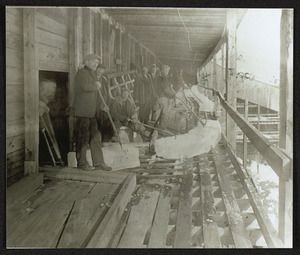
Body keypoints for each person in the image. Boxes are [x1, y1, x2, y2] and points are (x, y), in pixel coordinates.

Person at [73, 53, 112, 171]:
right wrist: (96, 86)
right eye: (94, 61)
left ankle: (99, 163)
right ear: (87, 62)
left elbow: (96, 94)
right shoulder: (81, 73)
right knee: (83, 138)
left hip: (92, 112)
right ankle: (82, 163)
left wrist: (101, 104)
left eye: (97, 62)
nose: (96, 64)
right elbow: (85, 87)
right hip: (82, 112)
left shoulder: (92, 74)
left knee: (96, 137)